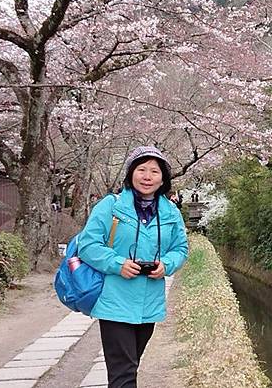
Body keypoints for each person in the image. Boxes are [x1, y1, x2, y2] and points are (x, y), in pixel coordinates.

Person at [78, 145, 188, 388]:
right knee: (124, 373)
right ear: (130, 174)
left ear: (163, 179)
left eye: (154, 172)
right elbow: (87, 245)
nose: (147, 176)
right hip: (115, 300)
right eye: (141, 169)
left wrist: (166, 265)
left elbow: (180, 249)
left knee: (130, 367)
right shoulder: (111, 206)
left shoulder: (170, 212)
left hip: (149, 304)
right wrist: (118, 264)